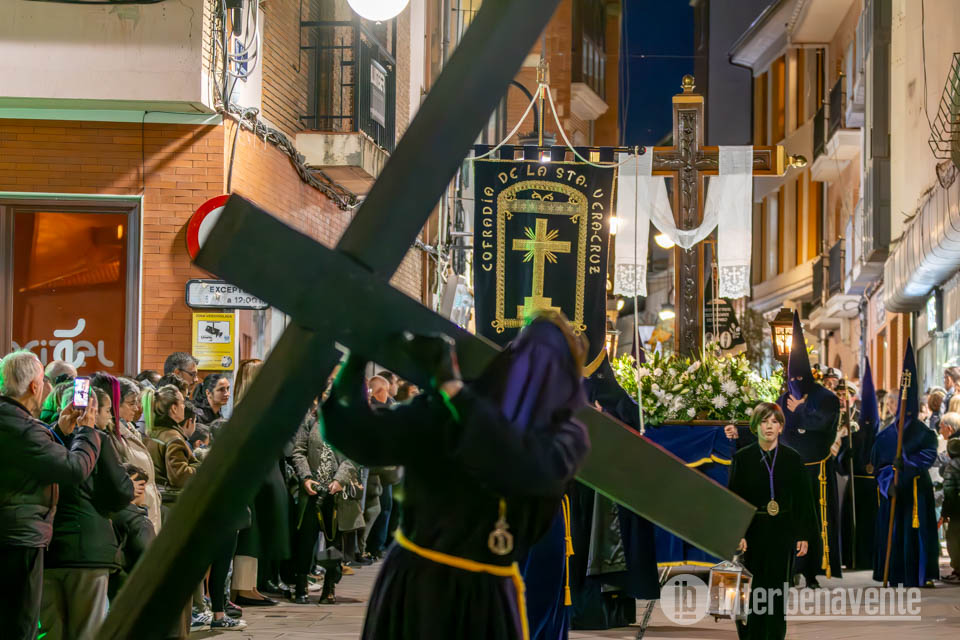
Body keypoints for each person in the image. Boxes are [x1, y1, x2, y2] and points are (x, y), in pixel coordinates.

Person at [323, 311, 590, 640]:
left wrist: (452, 388)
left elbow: (522, 467)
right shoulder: (445, 410)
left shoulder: (564, 436)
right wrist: (357, 358)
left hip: (485, 596)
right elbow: (361, 440)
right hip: (414, 585)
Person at [0, 351, 102, 640]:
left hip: (12, 533)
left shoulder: (13, 423)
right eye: (42, 381)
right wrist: (86, 432)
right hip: (19, 538)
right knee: (20, 625)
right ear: (34, 386)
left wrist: (59, 429)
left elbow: (30, 460)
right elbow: (73, 469)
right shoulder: (22, 428)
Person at [41, 386, 134, 640]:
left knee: (50, 632)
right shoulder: (98, 441)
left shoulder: (43, 440)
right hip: (89, 552)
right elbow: (122, 491)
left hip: (49, 550)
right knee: (88, 631)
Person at [727, 402, 815, 640]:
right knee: (753, 589)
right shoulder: (743, 459)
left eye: (774, 422)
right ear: (755, 426)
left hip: (782, 532)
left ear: (781, 427)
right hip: (753, 532)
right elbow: (734, 498)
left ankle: (775, 635)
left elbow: (803, 500)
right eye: (764, 421)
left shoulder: (792, 458)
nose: (769, 426)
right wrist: (739, 533)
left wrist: (803, 534)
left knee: (777, 590)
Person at [776, 311, 842, 587]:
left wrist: (802, 412)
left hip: (819, 472)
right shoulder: (784, 397)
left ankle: (813, 570)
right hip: (792, 470)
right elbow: (778, 427)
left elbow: (823, 425)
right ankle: (791, 569)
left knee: (817, 520)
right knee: (790, 519)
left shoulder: (826, 398)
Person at [872, 341, 939, 588]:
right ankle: (894, 572)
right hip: (894, 494)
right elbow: (878, 464)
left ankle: (921, 573)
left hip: (917, 492)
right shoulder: (885, 436)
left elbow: (928, 456)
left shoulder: (924, 433)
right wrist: (889, 479)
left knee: (917, 532)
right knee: (896, 531)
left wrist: (907, 465)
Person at [290, 406, 357, 603]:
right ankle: (301, 585)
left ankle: (329, 587)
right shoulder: (310, 420)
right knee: (305, 539)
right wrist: (306, 477)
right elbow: (298, 451)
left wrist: (339, 480)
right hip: (311, 490)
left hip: (336, 493)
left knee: (333, 542)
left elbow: (353, 457)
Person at [837, 360, 879, 571]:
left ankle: (872, 559)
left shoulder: (882, 437)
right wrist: (847, 455)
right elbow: (841, 467)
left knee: (871, 526)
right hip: (856, 487)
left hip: (874, 489)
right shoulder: (854, 436)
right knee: (855, 526)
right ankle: (853, 558)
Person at [110, 377, 163, 533]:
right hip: (133, 517)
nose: (137, 408)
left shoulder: (131, 430)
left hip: (145, 512)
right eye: (131, 403)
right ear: (116, 404)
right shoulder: (113, 435)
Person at [108, 464, 155, 599]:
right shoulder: (139, 522)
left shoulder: (105, 513)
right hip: (129, 594)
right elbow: (149, 561)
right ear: (140, 488)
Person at [941, 438, 960, 583]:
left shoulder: (952, 465)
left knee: (954, 540)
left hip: (957, 510)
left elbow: (949, 491)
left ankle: (958, 571)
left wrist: (945, 512)